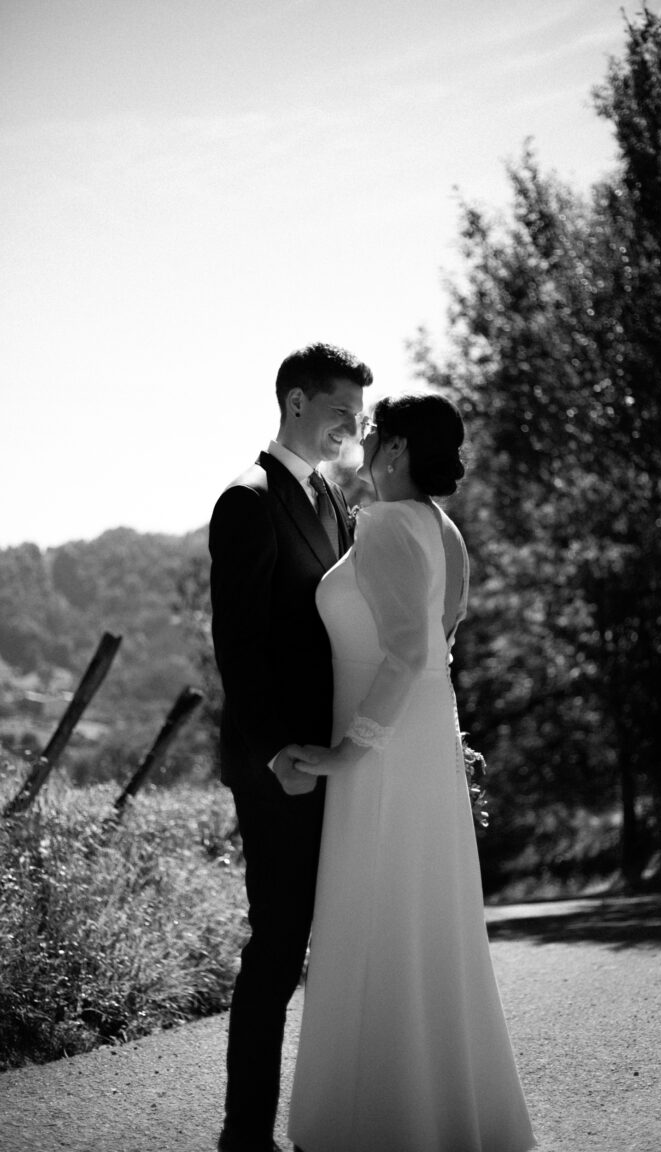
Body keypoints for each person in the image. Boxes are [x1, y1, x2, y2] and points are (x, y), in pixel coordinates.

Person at [288, 393, 536, 1152]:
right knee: (425, 918)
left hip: (386, 751)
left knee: (378, 917)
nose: (361, 442)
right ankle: (447, 1110)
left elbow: (405, 651)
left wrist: (347, 751)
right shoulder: (444, 529)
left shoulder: (387, 521)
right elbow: (443, 644)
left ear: (393, 451)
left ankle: (383, 1120)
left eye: (371, 434)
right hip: (426, 734)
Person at [208, 342, 373, 1152]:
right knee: (276, 944)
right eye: (343, 408)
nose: (355, 423)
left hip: (336, 755)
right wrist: (277, 753)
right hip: (282, 767)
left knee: (336, 936)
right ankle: (244, 1135)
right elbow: (237, 646)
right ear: (298, 402)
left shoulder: (335, 503)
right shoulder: (246, 499)